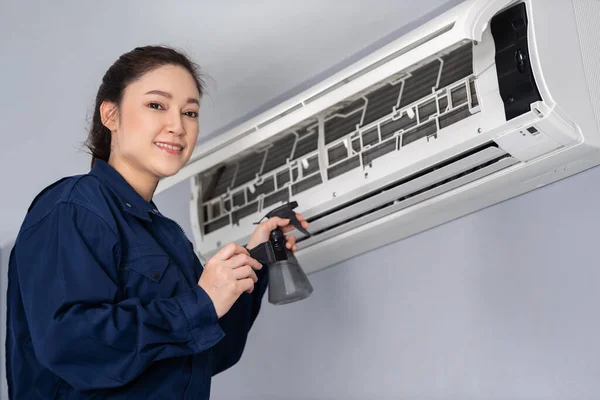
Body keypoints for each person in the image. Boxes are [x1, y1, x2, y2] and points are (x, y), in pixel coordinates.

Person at [5, 45, 309, 399]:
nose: (177, 126)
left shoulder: (165, 236)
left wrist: (254, 259)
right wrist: (199, 304)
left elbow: (208, 353)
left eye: (190, 112)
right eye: (156, 105)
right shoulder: (74, 206)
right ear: (111, 115)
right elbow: (71, 344)